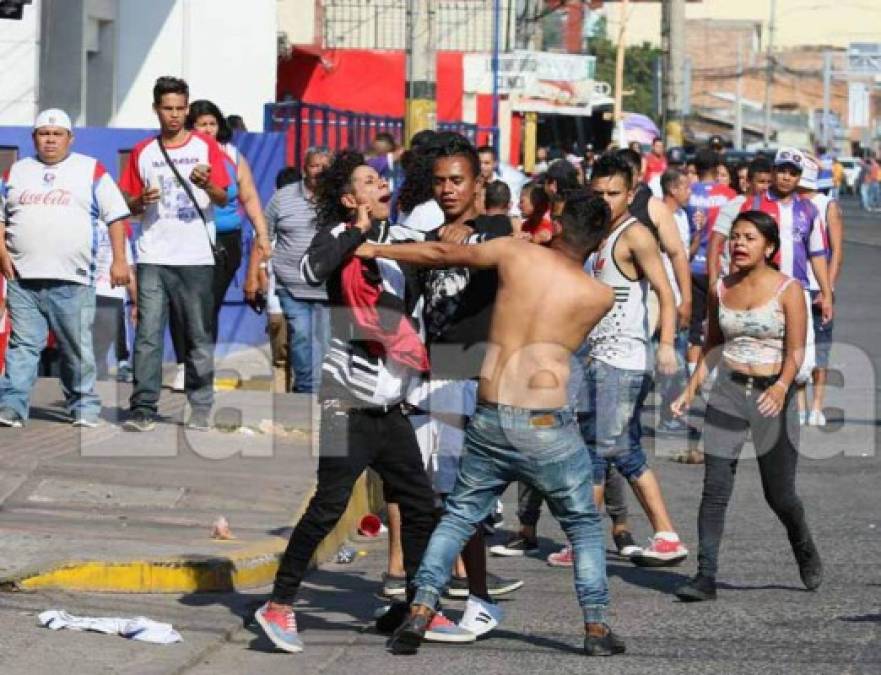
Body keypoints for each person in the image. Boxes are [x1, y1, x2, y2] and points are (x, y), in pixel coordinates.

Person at [357, 194, 627, 658]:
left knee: (459, 516)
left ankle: (420, 611)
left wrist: (374, 249)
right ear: (600, 240)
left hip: (492, 412)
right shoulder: (599, 295)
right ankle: (596, 627)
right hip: (547, 422)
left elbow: (442, 253)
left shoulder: (515, 254)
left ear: (558, 225)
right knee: (582, 527)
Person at [254, 151, 438, 653]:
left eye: (382, 179)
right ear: (348, 197)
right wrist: (355, 226)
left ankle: (414, 607)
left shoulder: (397, 241)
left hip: (390, 406)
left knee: (420, 505)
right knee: (328, 507)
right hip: (346, 405)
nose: (381, 185)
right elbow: (311, 270)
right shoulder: (339, 239)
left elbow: (435, 267)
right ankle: (278, 605)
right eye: (367, 181)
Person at [671, 210, 822, 602]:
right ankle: (705, 577)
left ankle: (802, 543)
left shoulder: (789, 290)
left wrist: (783, 387)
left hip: (774, 395)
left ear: (769, 247)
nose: (738, 243)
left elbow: (796, 350)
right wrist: (690, 389)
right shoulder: (721, 288)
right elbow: (713, 346)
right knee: (715, 489)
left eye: (749, 237)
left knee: (780, 495)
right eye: (735, 236)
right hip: (729, 392)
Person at [561, 152, 688, 568]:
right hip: (599, 360)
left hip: (624, 361)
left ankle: (585, 544)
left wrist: (667, 345)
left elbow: (665, 294)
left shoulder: (636, 235)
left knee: (599, 452)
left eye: (614, 193)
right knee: (622, 451)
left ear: (631, 193)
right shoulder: (596, 235)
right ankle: (665, 536)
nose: (605, 200)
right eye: (598, 193)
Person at [0, 108, 131, 428]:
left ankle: (84, 406)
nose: (50, 140)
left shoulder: (92, 170)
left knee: (76, 347)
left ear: (70, 138)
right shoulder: (16, 173)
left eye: (57, 134)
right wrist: (2, 253)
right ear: (34, 138)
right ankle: (12, 406)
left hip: (72, 279)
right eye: (44, 133)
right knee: (23, 345)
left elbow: (116, 216)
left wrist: (119, 260)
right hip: (23, 278)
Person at [120, 76, 231, 432]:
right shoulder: (143, 152)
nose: (175, 115)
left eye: (181, 108)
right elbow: (129, 204)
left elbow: (224, 197)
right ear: (156, 109)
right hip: (153, 254)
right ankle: (143, 407)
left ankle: (200, 406)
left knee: (198, 334)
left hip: (195, 256)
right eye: (168, 108)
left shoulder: (205, 147)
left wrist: (207, 184)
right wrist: (140, 201)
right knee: (148, 334)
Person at [163, 99, 272, 392]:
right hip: (186, 238)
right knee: (180, 305)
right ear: (190, 127)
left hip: (224, 242)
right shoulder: (177, 155)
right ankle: (185, 365)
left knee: (207, 304)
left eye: (212, 124)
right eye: (202, 124)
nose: (208, 130)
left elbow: (249, 197)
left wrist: (262, 235)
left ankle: (200, 365)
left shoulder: (231, 155)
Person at [742, 148, 834, 392]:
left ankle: (786, 413)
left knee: (801, 364)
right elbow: (739, 251)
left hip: (798, 291)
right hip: (763, 292)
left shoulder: (809, 210)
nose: (786, 177)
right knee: (761, 357)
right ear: (773, 172)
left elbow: (818, 255)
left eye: (792, 173)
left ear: (799, 177)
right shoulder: (755, 205)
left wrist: (826, 294)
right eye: (781, 171)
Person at [245, 147, 332, 394]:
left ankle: (321, 387)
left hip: (327, 286)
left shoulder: (339, 199)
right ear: (305, 169)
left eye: (325, 166)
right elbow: (263, 238)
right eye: (315, 165)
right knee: (302, 336)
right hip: (290, 285)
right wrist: (253, 275)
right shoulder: (282, 198)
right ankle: (306, 389)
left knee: (325, 342)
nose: (320, 171)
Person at [795, 156, 844, 427]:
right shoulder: (789, 205)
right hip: (796, 287)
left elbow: (836, 252)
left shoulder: (827, 206)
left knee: (821, 350)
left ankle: (817, 407)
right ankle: (801, 406)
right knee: (798, 347)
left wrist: (827, 288)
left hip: (819, 287)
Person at [685, 147, 736, 377]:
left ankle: (691, 373)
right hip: (719, 267)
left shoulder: (686, 193)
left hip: (691, 266)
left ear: (695, 168)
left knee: (694, 325)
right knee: (717, 323)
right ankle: (712, 372)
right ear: (717, 169)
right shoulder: (729, 195)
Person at [708, 156, 774, 290]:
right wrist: (713, 284)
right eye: (761, 182)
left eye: (769, 182)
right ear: (749, 182)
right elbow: (714, 245)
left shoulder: (775, 207)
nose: (766, 187)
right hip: (733, 283)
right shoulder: (734, 206)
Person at [92, 220, 136, 382]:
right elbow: (129, 270)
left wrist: (136, 301)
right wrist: (136, 302)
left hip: (100, 288)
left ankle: (119, 363)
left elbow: (129, 270)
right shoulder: (120, 229)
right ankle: (121, 364)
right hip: (103, 289)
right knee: (116, 329)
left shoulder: (82, 222)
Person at [517, 180, 553, 244]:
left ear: (536, 201)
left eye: (522, 201)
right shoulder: (526, 225)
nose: (518, 206)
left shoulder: (551, 228)